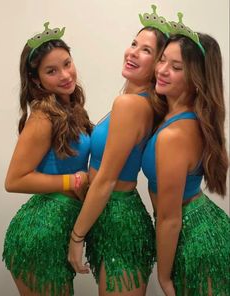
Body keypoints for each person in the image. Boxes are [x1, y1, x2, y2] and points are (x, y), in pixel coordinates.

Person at [68, 6, 169, 296]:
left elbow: (106, 180)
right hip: (113, 215)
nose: (133, 52)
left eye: (146, 50)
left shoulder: (131, 105)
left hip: (119, 220)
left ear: (159, 65)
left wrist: (76, 238)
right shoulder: (136, 99)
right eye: (134, 43)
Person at [142, 13, 230, 296]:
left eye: (176, 66)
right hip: (198, 226)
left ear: (195, 79)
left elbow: (169, 218)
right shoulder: (180, 116)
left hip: (195, 239)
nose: (162, 70)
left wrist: (164, 278)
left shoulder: (174, 135)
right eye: (163, 59)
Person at [2, 22, 92, 296]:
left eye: (67, 64)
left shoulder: (69, 106)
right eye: (51, 71)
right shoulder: (42, 116)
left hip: (58, 230)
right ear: (36, 80)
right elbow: (14, 180)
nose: (65, 75)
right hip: (40, 233)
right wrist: (74, 179)